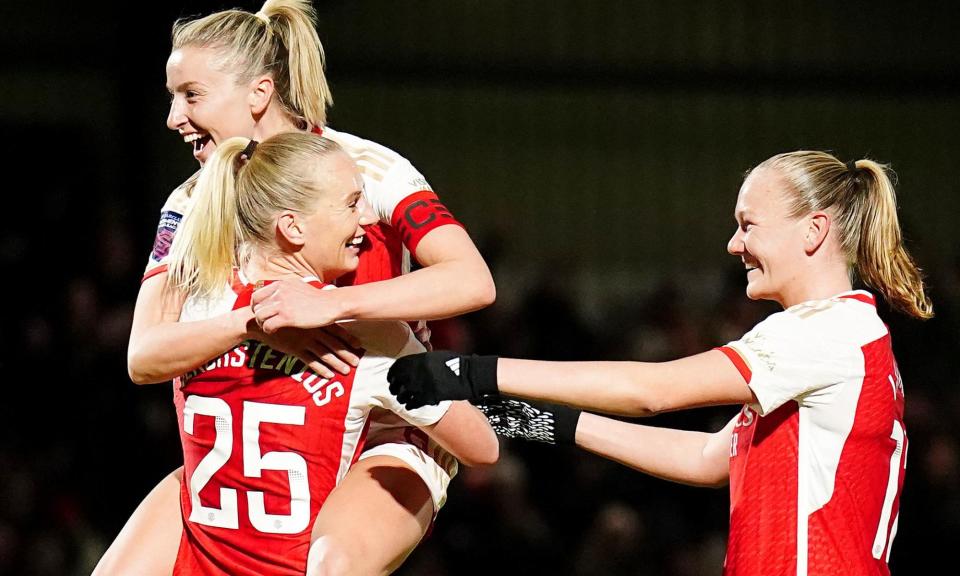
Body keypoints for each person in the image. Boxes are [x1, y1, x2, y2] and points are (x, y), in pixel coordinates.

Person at [389, 150, 933, 575]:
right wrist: (533, 420)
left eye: (749, 225)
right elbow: (707, 457)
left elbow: (653, 390)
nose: (732, 243)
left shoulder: (823, 333)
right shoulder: (844, 336)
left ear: (813, 231)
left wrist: (472, 371)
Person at [93, 1, 496, 574]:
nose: (172, 117)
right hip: (262, 442)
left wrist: (328, 308)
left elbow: (472, 280)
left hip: (386, 419)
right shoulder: (191, 200)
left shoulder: (362, 171)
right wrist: (251, 323)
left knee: (331, 565)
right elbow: (143, 355)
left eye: (190, 95)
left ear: (258, 94)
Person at [172, 132, 497, 574]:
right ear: (293, 227)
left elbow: (142, 361)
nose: (366, 218)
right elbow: (482, 448)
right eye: (351, 204)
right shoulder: (366, 336)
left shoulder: (197, 308)